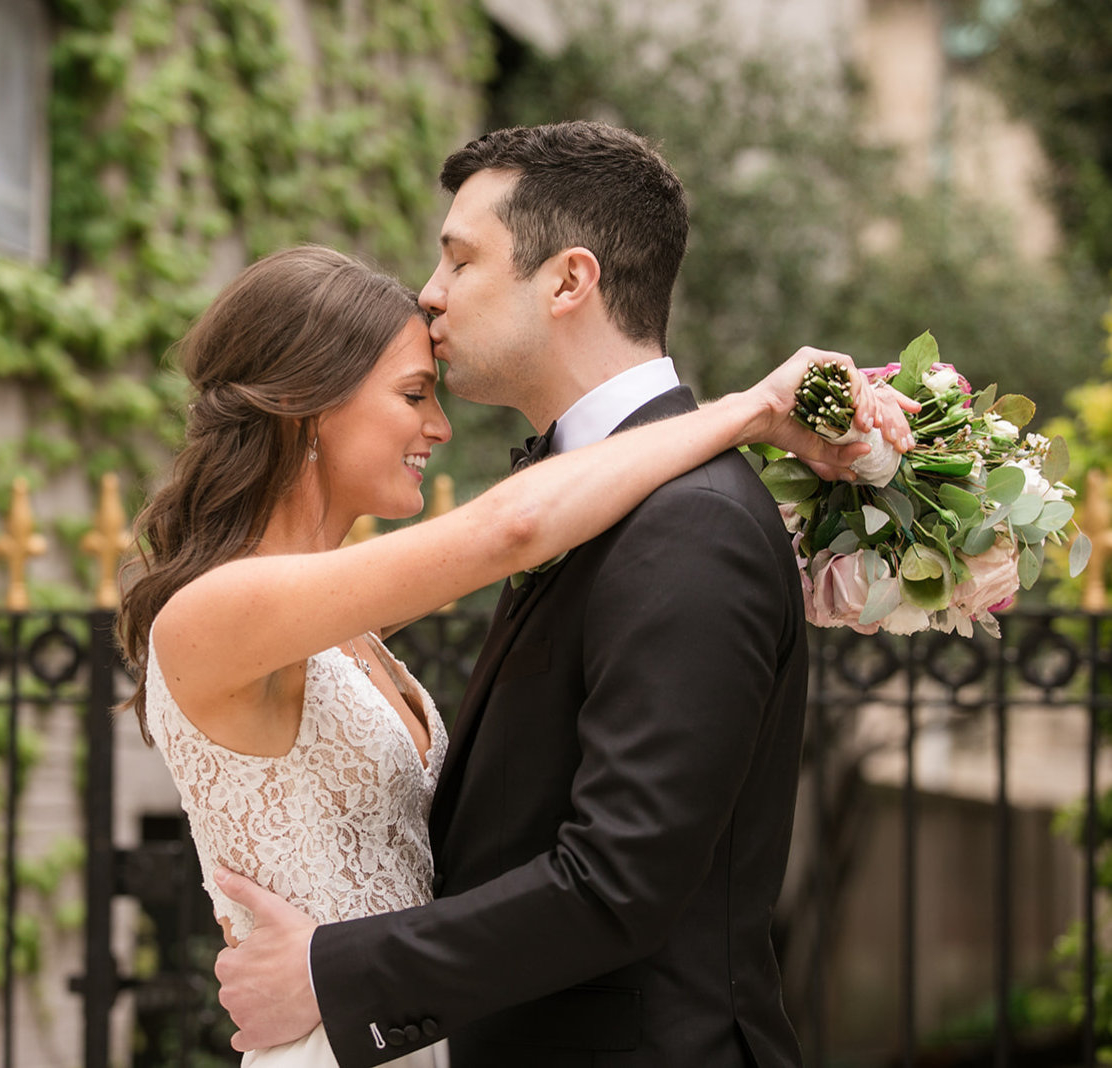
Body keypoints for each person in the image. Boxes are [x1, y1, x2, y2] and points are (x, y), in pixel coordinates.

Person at [208, 124, 915, 1068]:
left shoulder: (689, 520)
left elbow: (617, 882)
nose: (430, 291)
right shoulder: (606, 499)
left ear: (569, 281)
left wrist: (335, 977)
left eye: (460, 259)